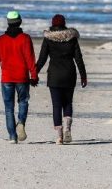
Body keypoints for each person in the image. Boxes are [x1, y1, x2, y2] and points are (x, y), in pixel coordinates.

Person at [36, 14, 87, 144]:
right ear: (64, 24)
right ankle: (68, 128)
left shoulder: (48, 39)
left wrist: (34, 73)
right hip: (69, 74)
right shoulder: (72, 38)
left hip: (54, 76)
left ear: (52, 25)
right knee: (68, 103)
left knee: (56, 106)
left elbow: (42, 59)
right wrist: (83, 75)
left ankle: (59, 136)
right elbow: (78, 58)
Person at [0, 10, 38, 143]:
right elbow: (30, 59)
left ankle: (12, 136)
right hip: (22, 77)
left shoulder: (1, 40)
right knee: (23, 102)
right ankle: (21, 122)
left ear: (8, 22)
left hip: (7, 78)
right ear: (20, 22)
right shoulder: (25, 38)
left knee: (8, 108)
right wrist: (34, 76)